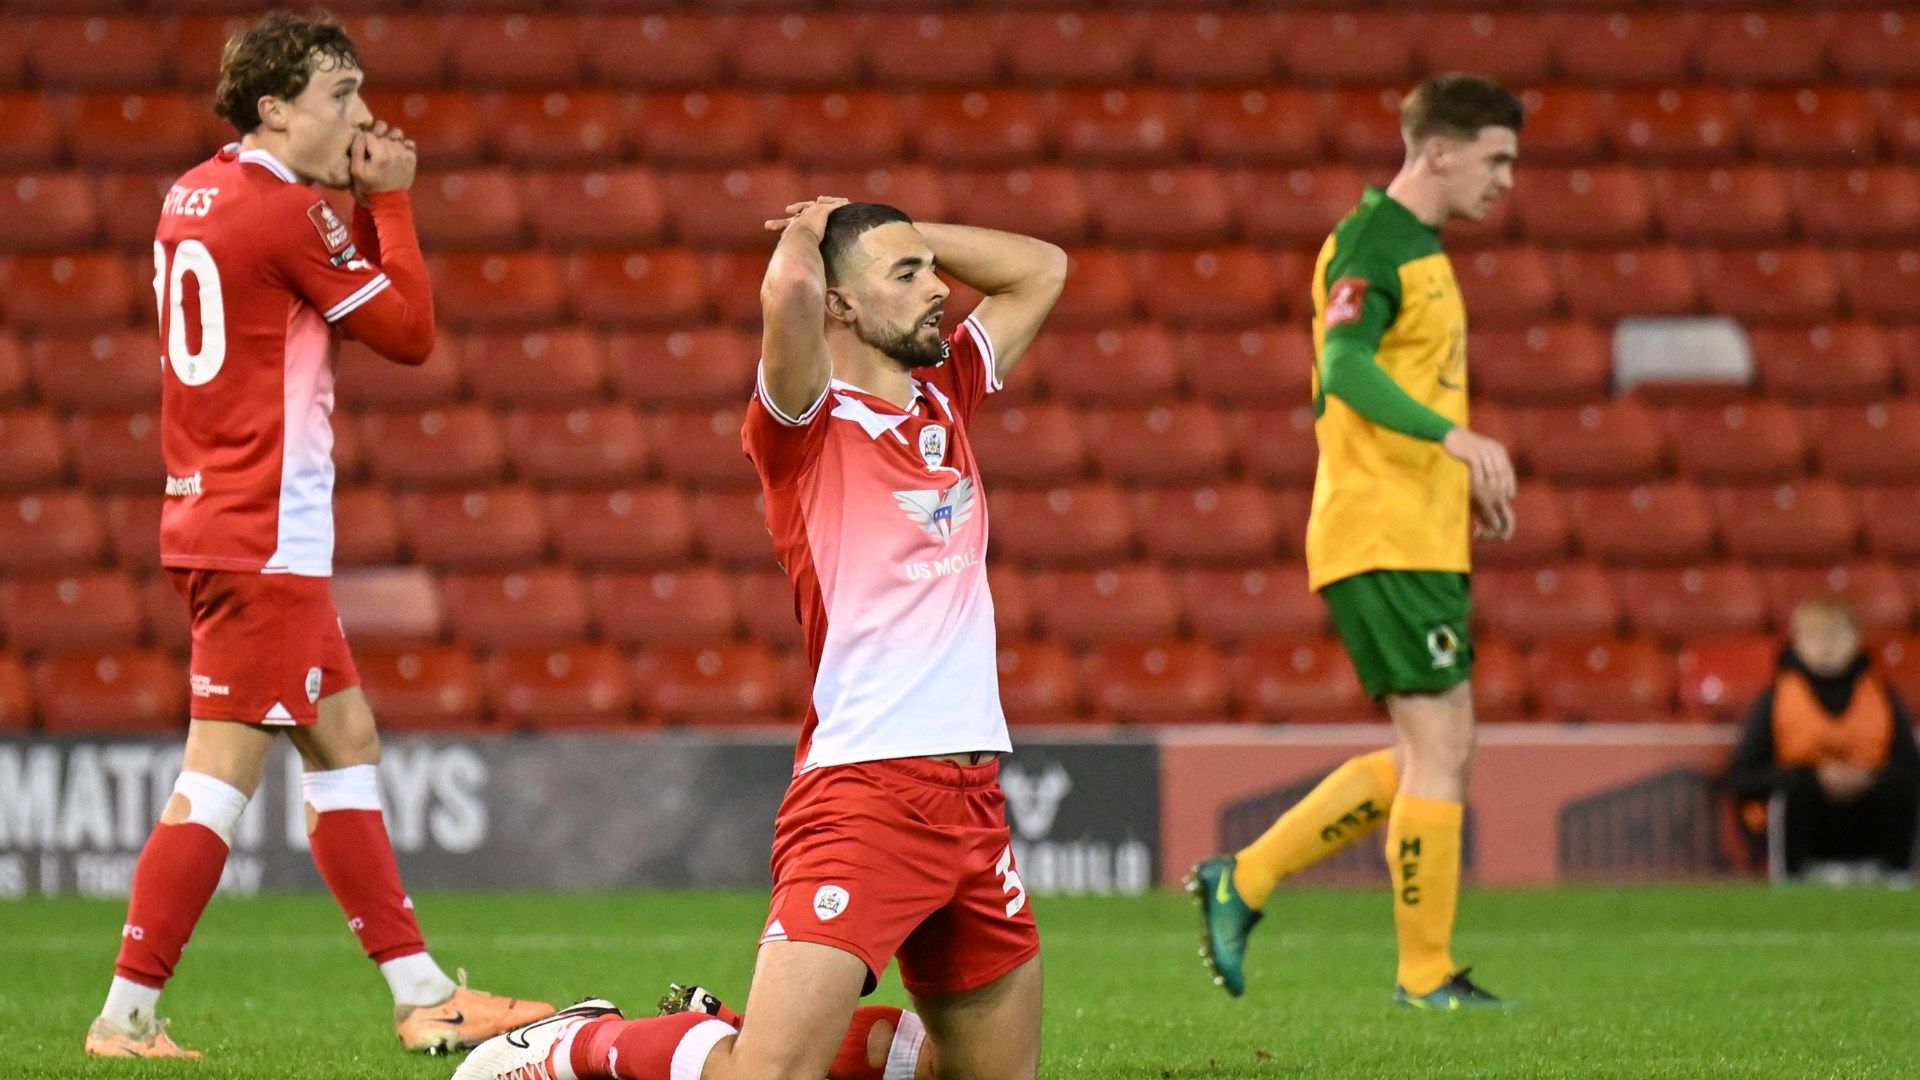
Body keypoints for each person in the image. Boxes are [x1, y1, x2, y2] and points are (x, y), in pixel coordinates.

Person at [455, 199, 1068, 1080]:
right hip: (867, 792)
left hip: (974, 803)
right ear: (840, 305)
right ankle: (575, 1044)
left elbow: (1042, 266)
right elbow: (785, 285)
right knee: (766, 1077)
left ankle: (841, 1041)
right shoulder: (807, 428)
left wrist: (913, 239)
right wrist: (810, 230)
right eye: (908, 276)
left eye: (932, 268)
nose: (939, 288)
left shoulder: (947, 392)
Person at [84, 10, 552, 1059]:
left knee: (345, 746)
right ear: (275, 108)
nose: (360, 112)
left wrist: (344, 188)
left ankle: (423, 990)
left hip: (218, 516)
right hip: (262, 534)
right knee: (216, 779)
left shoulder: (195, 190)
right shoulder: (290, 214)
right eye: (338, 95)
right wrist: (386, 200)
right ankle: (125, 1016)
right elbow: (410, 334)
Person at [1187, 73, 1523, 1009]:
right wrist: (1455, 440)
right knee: (1440, 744)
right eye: (1496, 160)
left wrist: (1457, 475)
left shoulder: (1418, 247)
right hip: (1380, 530)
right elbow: (1342, 368)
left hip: (1417, 527)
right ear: (1440, 151)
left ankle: (1243, 880)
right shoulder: (1376, 241)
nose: (1505, 182)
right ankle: (1424, 976)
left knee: (1439, 749)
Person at [1728, 597, 1919, 885]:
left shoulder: (1882, 696)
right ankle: (1797, 878)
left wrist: (1868, 777)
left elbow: (1911, 769)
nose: (1826, 645)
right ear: (1797, 642)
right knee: (1795, 795)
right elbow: (1742, 776)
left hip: (1871, 821)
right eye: (1815, 635)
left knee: (1899, 789)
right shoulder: (1776, 698)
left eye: (1836, 634)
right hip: (1806, 822)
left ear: (1856, 640)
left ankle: (1896, 876)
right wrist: (1812, 777)